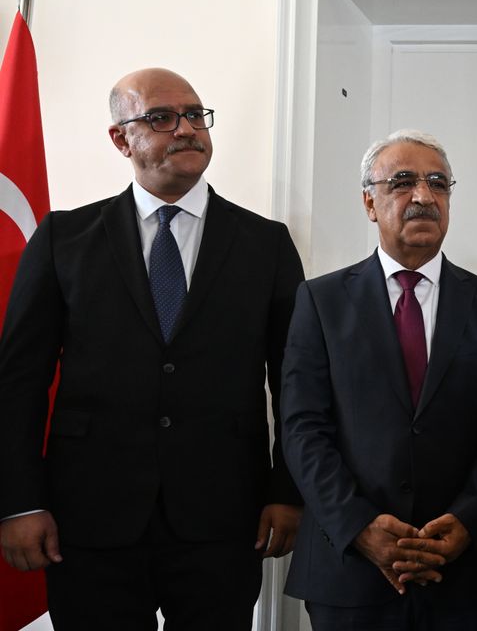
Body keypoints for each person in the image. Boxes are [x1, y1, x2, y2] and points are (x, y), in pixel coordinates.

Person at [0, 68, 303, 629]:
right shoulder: (64, 239)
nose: (186, 129)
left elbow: (294, 381)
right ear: (121, 139)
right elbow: (18, 382)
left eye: (195, 115)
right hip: (88, 520)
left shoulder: (267, 244)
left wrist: (288, 491)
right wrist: (20, 501)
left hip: (224, 519)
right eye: (161, 118)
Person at [280, 129, 477, 630]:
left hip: (463, 572)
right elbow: (303, 428)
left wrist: (466, 521)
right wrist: (360, 527)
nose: (424, 196)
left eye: (438, 183)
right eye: (403, 182)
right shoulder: (321, 301)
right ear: (369, 202)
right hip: (347, 571)